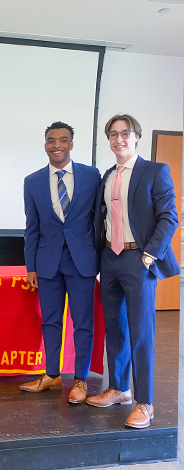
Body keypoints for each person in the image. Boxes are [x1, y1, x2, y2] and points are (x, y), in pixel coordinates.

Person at [85, 114, 178, 428]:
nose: (118, 139)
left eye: (125, 133)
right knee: (115, 330)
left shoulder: (155, 171)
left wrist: (150, 255)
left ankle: (145, 403)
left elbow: (169, 218)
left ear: (137, 136)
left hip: (139, 259)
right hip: (109, 260)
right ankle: (119, 389)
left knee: (141, 334)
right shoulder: (108, 175)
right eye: (113, 134)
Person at [21, 121, 100, 403]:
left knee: (83, 323)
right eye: (52, 140)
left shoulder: (93, 177)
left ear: (71, 144)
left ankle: (80, 379)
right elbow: (31, 227)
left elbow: (98, 221)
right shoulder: (32, 181)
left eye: (63, 140)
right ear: (45, 145)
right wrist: (30, 267)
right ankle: (52, 375)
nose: (57, 145)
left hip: (82, 262)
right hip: (47, 263)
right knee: (51, 322)